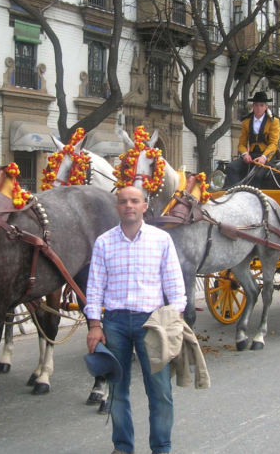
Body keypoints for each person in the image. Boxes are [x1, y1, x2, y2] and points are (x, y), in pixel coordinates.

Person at [85, 185, 186, 454]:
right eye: (123, 201)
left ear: (144, 206)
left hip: (151, 324)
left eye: (134, 201)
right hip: (114, 323)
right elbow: (95, 287)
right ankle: (122, 446)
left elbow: (175, 285)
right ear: (117, 207)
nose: (128, 205)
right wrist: (95, 325)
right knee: (118, 390)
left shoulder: (161, 240)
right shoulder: (104, 242)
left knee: (160, 391)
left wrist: (174, 318)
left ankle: (161, 448)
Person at [223, 91, 280, 188]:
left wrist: (263, 157)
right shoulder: (246, 121)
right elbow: (241, 144)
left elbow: (273, 144)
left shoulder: (273, 121)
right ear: (253, 106)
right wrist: (245, 154)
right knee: (230, 168)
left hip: (266, 157)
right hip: (251, 156)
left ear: (266, 107)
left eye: (261, 105)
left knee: (255, 176)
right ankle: (236, 191)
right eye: (256, 105)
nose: (259, 108)